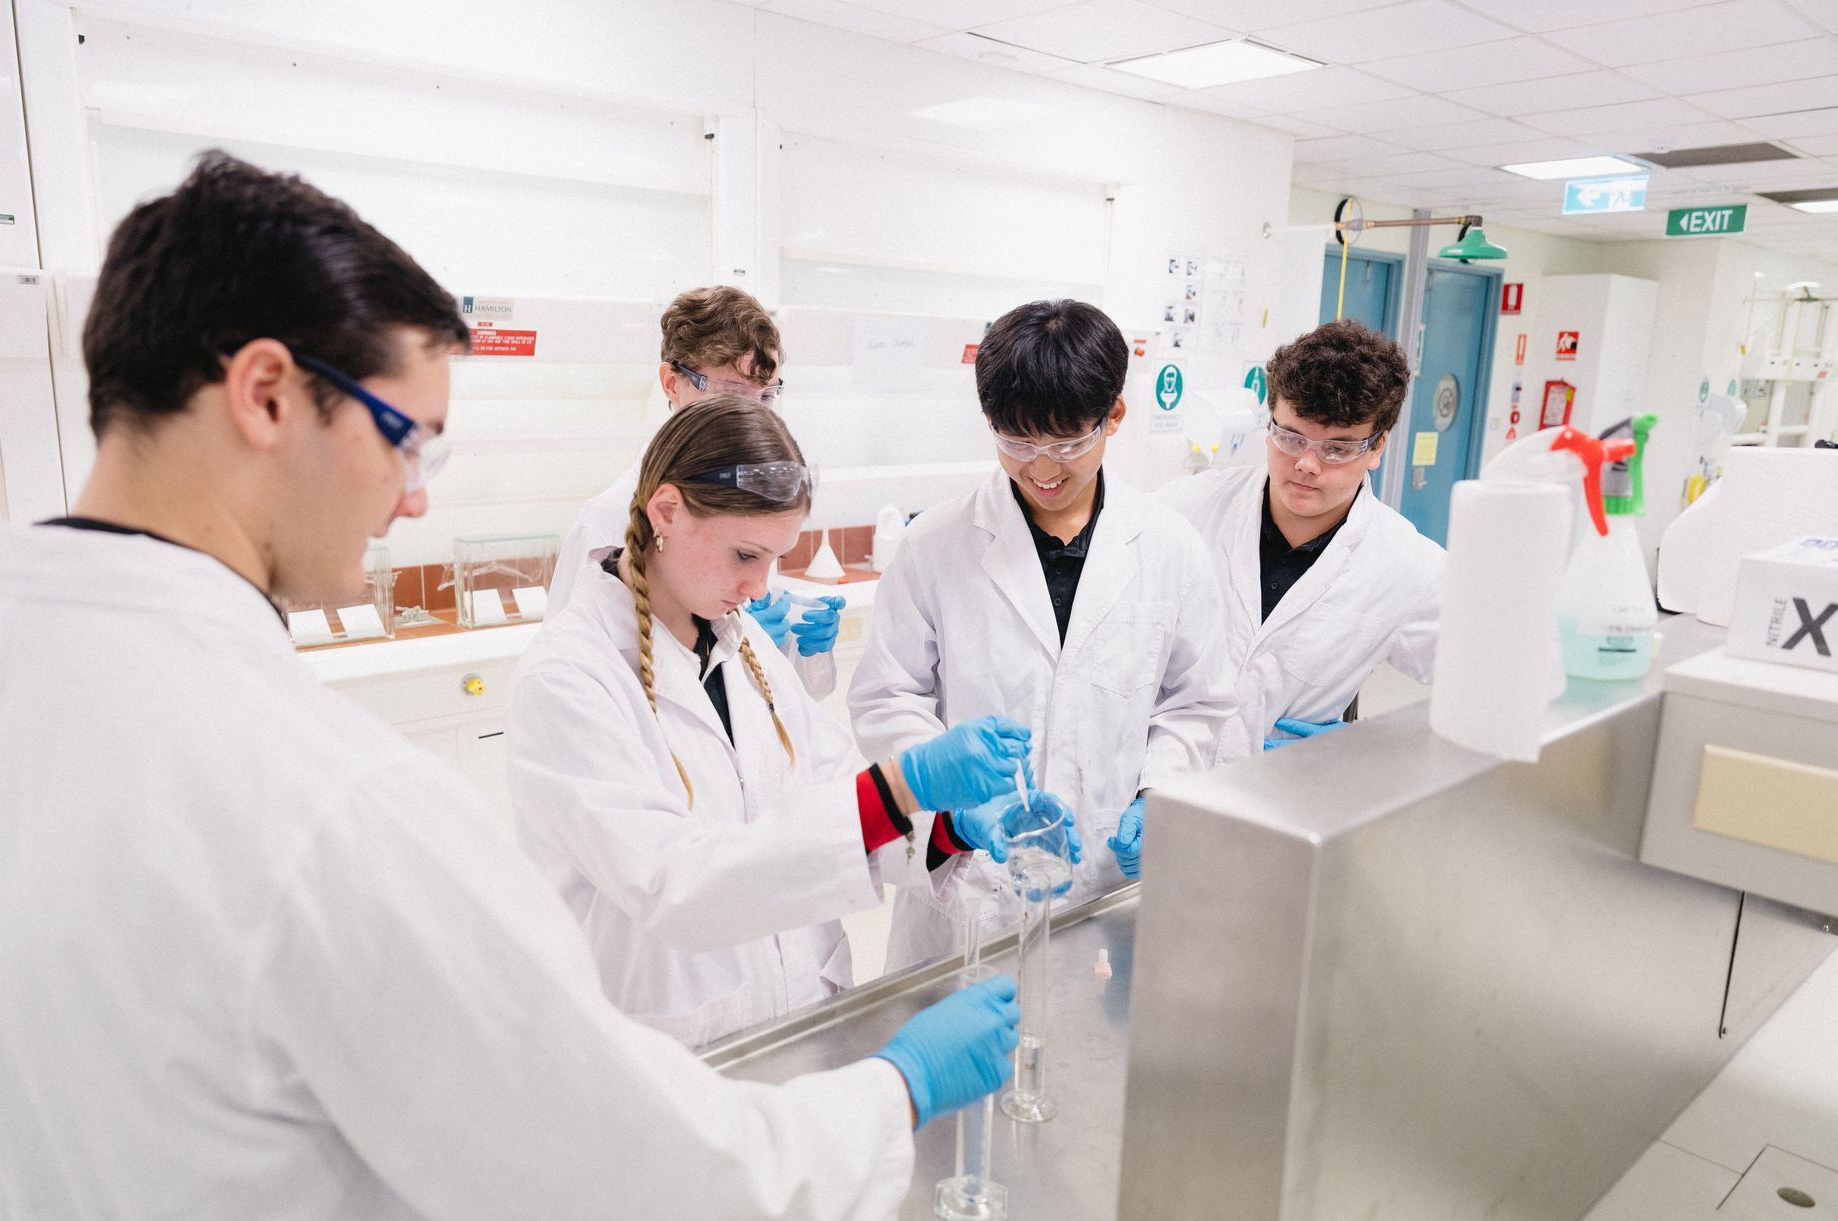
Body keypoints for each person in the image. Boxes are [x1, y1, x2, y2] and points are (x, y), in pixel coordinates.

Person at [0, 152, 1022, 1221]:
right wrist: (895, 1092)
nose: (415, 495)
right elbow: (623, 1166)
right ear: (263, 394)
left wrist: (924, 823)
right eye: (407, 434)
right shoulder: (322, 795)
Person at [509, 394, 1073, 1047]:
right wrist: (898, 786)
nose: (760, 586)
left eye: (776, 559)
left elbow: (826, 794)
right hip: (678, 1052)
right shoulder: (568, 681)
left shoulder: (736, 641)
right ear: (666, 511)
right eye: (746, 556)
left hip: (799, 1018)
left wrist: (947, 827)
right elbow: (674, 884)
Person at [848, 299, 1236, 970]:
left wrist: (1158, 791)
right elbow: (888, 696)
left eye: (1068, 443)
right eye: (1017, 442)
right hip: (969, 887)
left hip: (1104, 883)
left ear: (1114, 415)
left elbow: (1195, 703)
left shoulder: (1171, 549)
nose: (1043, 469)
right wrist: (956, 800)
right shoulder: (937, 544)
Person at [1158, 318, 1446, 764]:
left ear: (1376, 448)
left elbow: (1494, 688)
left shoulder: (1410, 566)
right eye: (1290, 438)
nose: (1307, 464)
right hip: (1156, 785)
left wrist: (1371, 750)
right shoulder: (1185, 510)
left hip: (1285, 804)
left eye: (1337, 449)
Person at [549, 285, 845, 697]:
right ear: (673, 382)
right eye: (733, 393)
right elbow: (572, 676)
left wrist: (800, 652)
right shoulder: (606, 519)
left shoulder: (757, 500)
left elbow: (786, 707)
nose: (753, 414)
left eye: (767, 395)